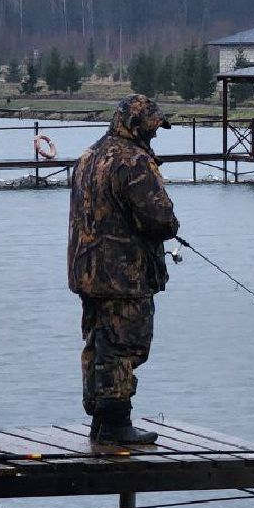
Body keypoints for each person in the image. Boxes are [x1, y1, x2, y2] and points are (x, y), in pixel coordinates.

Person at [68, 94, 179, 445]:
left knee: (99, 341)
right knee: (124, 345)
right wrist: (170, 227)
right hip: (123, 274)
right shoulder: (133, 161)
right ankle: (117, 424)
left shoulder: (88, 156)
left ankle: (101, 421)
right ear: (136, 126)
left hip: (86, 270)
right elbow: (160, 218)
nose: (156, 135)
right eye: (153, 127)